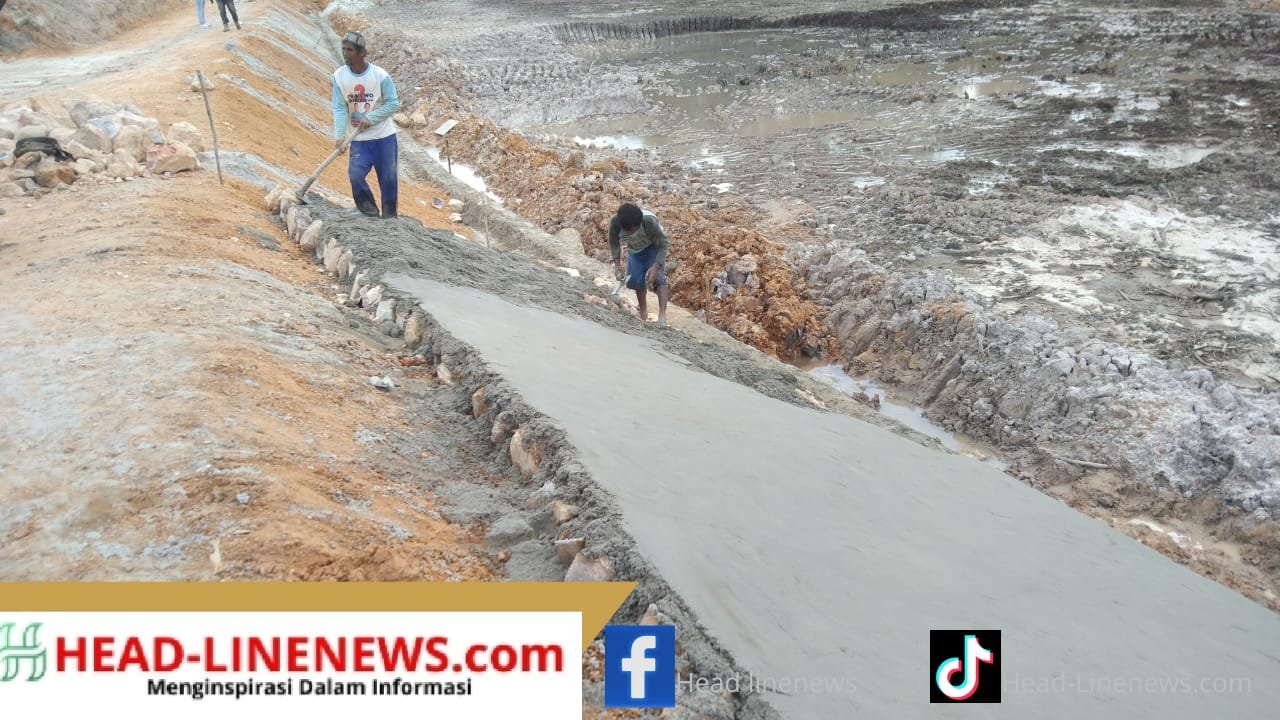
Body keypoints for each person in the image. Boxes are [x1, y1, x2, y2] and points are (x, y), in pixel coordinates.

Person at [331, 31, 401, 219]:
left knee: (389, 179)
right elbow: (339, 108)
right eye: (343, 49)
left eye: (350, 50)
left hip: (384, 137)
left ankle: (390, 218)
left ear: (362, 53)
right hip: (359, 139)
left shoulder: (380, 76)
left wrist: (372, 117)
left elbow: (393, 103)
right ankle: (369, 212)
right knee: (355, 175)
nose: (345, 54)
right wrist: (339, 137)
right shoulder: (339, 77)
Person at [608, 202, 671, 325]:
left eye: (635, 229)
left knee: (658, 278)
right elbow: (614, 242)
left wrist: (655, 266)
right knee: (636, 280)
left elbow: (663, 245)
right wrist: (617, 265)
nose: (632, 233)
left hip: (653, 246)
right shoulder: (615, 223)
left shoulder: (649, 222)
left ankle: (662, 315)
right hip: (635, 250)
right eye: (629, 231)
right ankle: (643, 311)